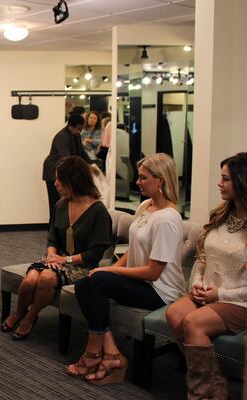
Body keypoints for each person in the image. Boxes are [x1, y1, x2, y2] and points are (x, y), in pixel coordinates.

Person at [67, 153, 186, 385]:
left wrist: (110, 272)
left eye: (143, 178)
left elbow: (153, 273)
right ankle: (111, 352)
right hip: (141, 282)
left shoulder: (167, 219)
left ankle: (93, 352)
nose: (137, 182)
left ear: (161, 180)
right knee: (83, 284)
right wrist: (109, 269)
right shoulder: (145, 206)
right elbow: (133, 249)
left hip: (161, 291)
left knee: (97, 281)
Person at [165, 152, 247, 400]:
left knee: (193, 322)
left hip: (239, 300)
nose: (219, 184)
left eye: (225, 179)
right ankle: (216, 382)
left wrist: (219, 294)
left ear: (242, 182)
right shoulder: (221, 215)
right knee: (174, 313)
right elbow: (203, 258)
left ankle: (200, 393)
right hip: (208, 292)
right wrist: (197, 283)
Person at [2, 156, 112, 340]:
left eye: (59, 179)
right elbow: (52, 237)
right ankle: (20, 312)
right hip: (57, 260)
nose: (55, 183)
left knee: (46, 278)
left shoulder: (98, 211)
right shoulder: (61, 205)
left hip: (83, 266)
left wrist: (65, 260)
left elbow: (96, 253)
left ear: (73, 181)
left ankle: (30, 317)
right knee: (29, 281)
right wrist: (53, 256)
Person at [43, 114, 91, 227]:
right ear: (70, 126)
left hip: (64, 170)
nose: (80, 131)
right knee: (55, 202)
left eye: (81, 129)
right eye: (78, 129)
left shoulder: (76, 135)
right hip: (52, 171)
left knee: (65, 201)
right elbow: (67, 158)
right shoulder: (62, 137)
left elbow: (81, 152)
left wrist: (91, 164)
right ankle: (53, 228)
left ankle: (64, 226)